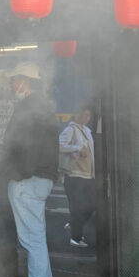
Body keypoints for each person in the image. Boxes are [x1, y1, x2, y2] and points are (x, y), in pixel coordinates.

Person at [2, 62, 59, 277]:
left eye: (15, 80)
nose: (12, 84)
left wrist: (17, 174)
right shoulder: (45, 106)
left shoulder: (28, 106)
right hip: (42, 178)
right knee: (37, 236)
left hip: (28, 179)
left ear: (25, 80)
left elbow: (25, 146)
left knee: (31, 238)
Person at [59, 105, 95, 248]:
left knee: (92, 205)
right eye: (83, 114)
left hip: (88, 175)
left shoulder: (87, 131)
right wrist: (78, 148)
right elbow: (59, 145)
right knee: (77, 207)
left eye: (88, 115)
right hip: (74, 175)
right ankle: (76, 238)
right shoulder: (71, 129)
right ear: (77, 114)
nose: (86, 118)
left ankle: (74, 224)